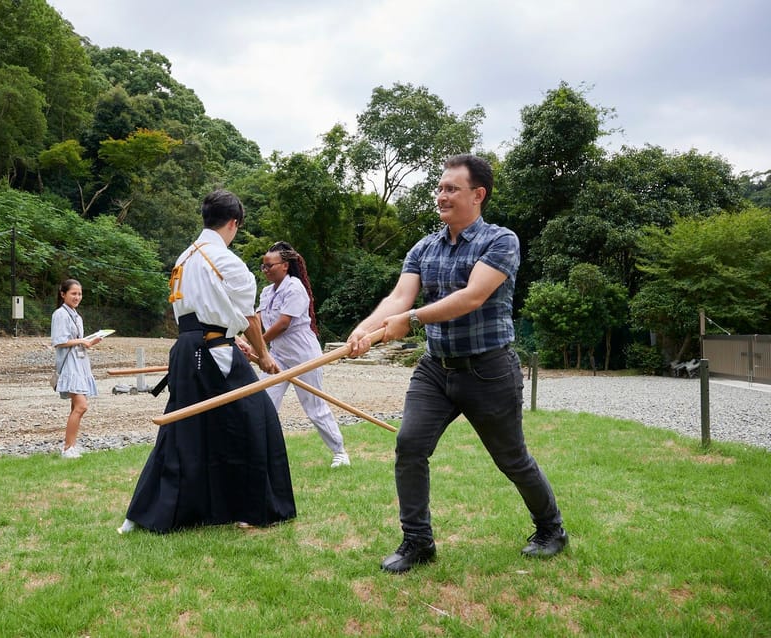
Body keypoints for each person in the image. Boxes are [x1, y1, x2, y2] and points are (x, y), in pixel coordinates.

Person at [347, 154, 567, 574]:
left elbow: (471, 297)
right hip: (435, 368)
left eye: (452, 188)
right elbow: (398, 299)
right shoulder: (424, 247)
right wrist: (364, 330)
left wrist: (410, 320)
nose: (441, 195)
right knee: (409, 446)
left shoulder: (500, 241)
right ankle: (417, 542)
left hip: (488, 369)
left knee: (512, 459)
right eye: (440, 187)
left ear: (477, 195)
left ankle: (551, 529)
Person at [118, 190, 296, 534]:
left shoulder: (184, 258)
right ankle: (255, 509)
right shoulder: (225, 260)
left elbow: (205, 314)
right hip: (214, 354)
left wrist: (237, 341)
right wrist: (264, 356)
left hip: (188, 350)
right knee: (257, 418)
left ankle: (140, 515)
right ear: (234, 223)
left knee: (183, 427)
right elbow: (250, 318)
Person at [252, 241, 350, 468]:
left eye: (269, 266)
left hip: (303, 355)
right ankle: (262, 455)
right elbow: (256, 321)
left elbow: (283, 324)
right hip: (278, 356)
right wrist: (248, 342)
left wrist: (259, 346)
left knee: (314, 406)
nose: (265, 270)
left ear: (285, 266)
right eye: (263, 267)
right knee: (263, 402)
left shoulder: (295, 288)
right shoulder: (267, 292)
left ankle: (340, 452)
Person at [51, 279, 102, 459]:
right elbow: (59, 341)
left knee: (75, 406)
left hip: (80, 363)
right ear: (63, 294)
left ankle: (71, 446)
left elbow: (78, 341)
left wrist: (90, 342)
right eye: (73, 293)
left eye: (79, 294)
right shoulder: (60, 315)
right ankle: (67, 448)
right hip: (69, 366)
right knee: (81, 406)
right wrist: (82, 341)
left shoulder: (76, 315)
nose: (77, 297)